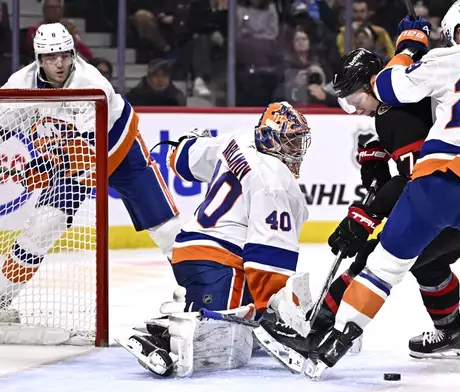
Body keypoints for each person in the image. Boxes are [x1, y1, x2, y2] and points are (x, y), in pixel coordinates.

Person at [256, 1, 460, 391]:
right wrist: (382, 159)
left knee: (378, 266)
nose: (354, 109)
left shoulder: (442, 63)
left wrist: (410, 45)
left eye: (352, 100)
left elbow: (389, 87)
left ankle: (327, 342)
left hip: (438, 183)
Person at [117, 102, 313, 377]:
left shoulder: (240, 138)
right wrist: (274, 307)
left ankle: (194, 306)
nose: (296, 151)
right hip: (220, 259)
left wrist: (187, 143)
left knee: (247, 319)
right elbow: (267, 254)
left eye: (298, 142)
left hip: (193, 248)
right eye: (290, 142)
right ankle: (167, 332)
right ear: (270, 138)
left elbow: (184, 159)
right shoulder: (276, 182)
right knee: (224, 341)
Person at [0, 23, 182, 317]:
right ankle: (1, 297)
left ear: (73, 53)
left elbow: (86, 157)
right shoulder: (20, 83)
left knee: (166, 227)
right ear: (38, 59)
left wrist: (45, 168)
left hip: (119, 151)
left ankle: (203, 294)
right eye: (50, 57)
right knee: (44, 225)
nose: (58, 64)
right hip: (72, 159)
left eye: (64, 55)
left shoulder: (92, 85)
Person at [318, 48, 460, 360]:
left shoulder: (393, 114)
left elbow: (416, 182)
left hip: (450, 206)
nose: (354, 108)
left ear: (372, 84)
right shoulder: (401, 101)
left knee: (374, 259)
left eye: (354, 99)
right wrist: (381, 152)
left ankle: (321, 327)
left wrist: (366, 215)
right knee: (427, 263)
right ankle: (453, 330)